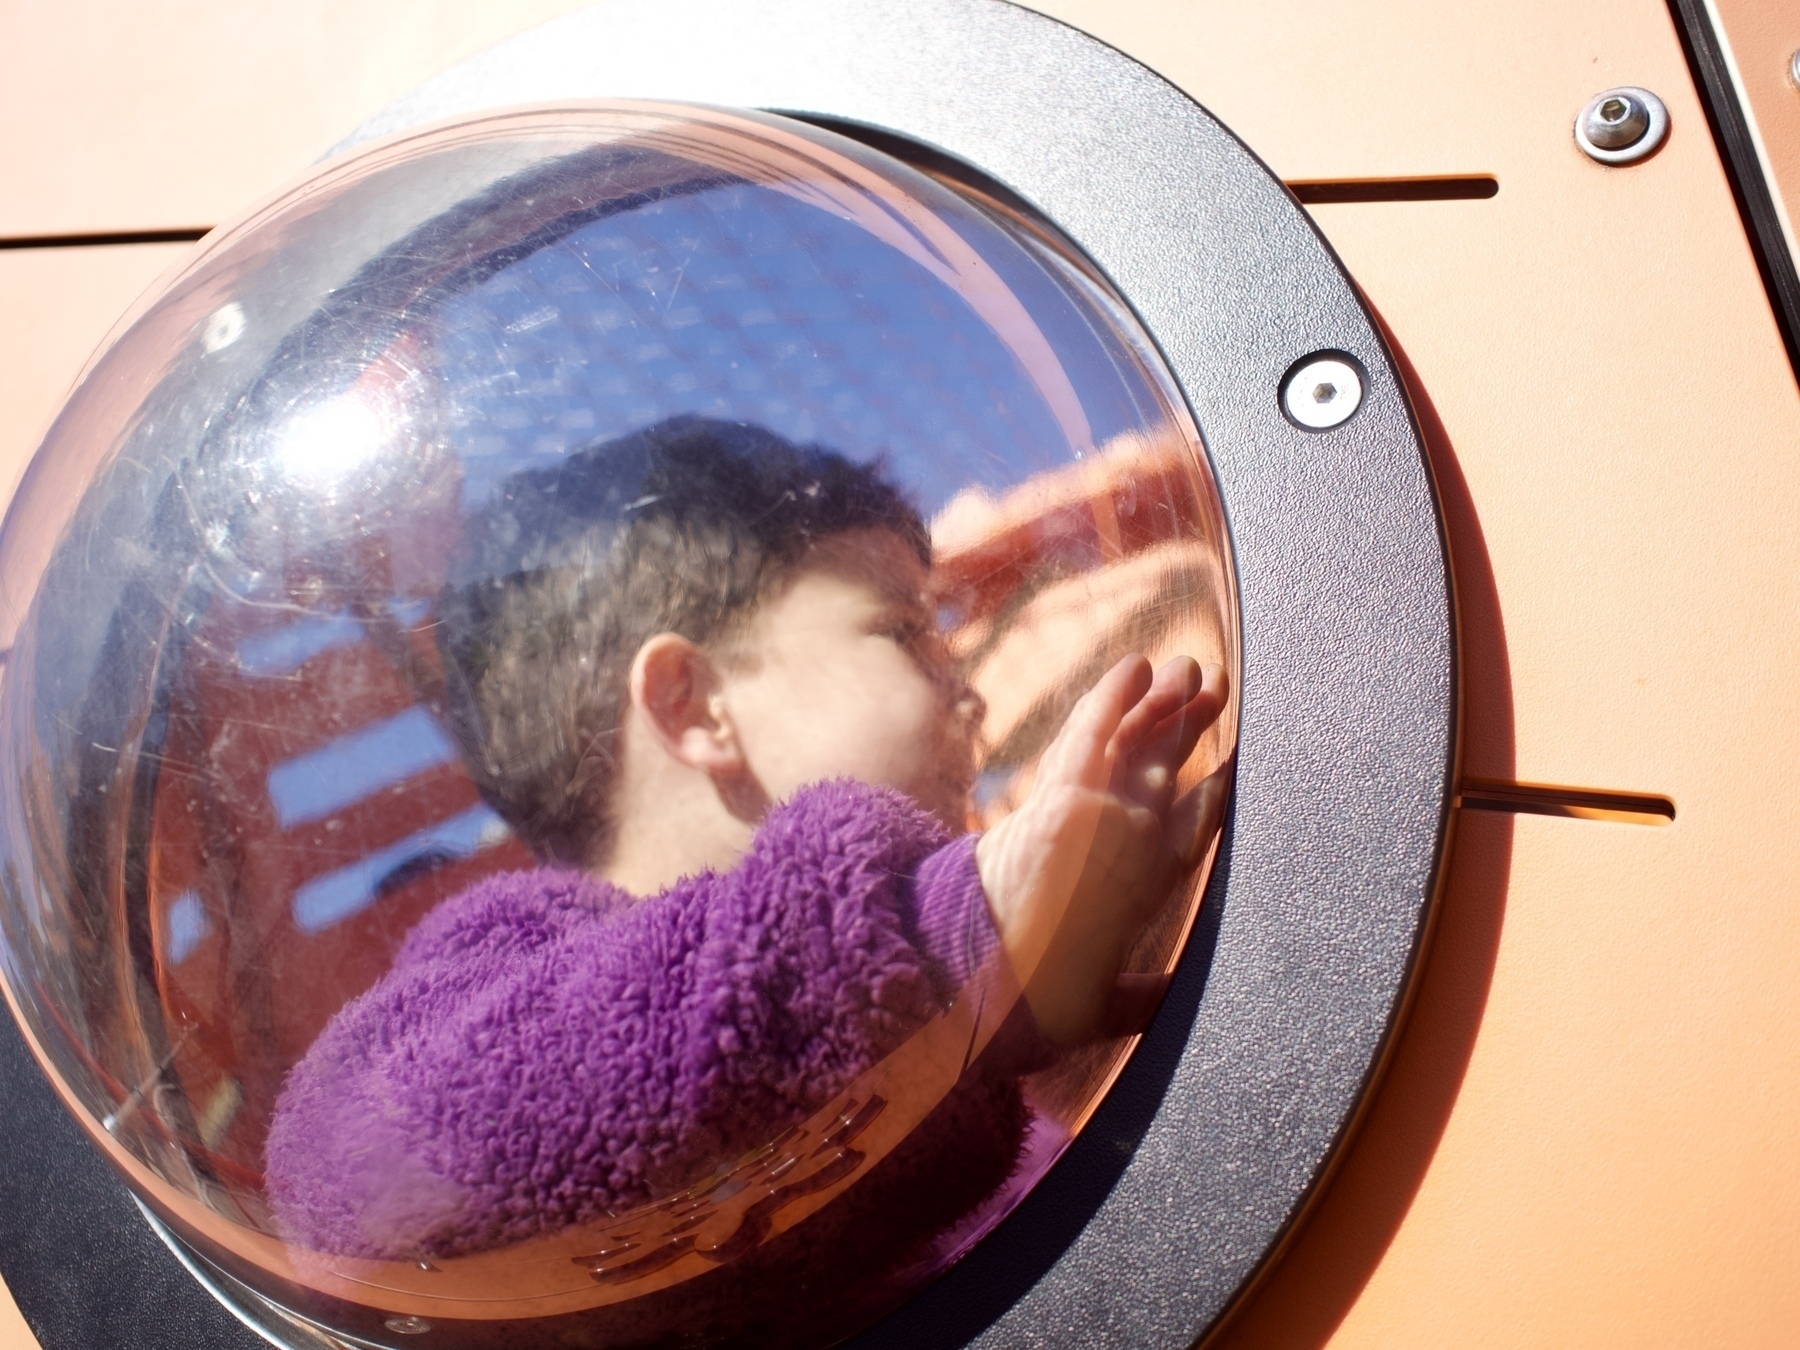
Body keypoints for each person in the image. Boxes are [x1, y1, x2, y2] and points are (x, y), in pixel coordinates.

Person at [263, 418, 1226, 1324]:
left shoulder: (968, 1078)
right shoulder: (497, 972)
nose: (966, 682)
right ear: (694, 708)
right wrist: (933, 945)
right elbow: (368, 1185)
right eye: (903, 628)